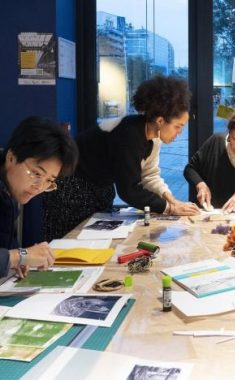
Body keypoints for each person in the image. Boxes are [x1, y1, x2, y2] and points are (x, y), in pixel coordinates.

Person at [43, 75, 199, 241]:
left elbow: (149, 175)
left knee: (95, 244)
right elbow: (128, 190)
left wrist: (172, 200)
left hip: (99, 188)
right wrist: (169, 208)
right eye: (178, 127)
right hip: (72, 188)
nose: (179, 133)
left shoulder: (154, 136)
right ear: (160, 120)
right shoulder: (129, 134)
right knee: (70, 245)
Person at [0, 116, 78, 278]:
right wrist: (19, 256)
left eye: (49, 181)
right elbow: (13, 254)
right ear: (11, 157)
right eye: (36, 173)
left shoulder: (10, 193)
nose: (39, 187)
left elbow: (7, 246)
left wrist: (17, 261)